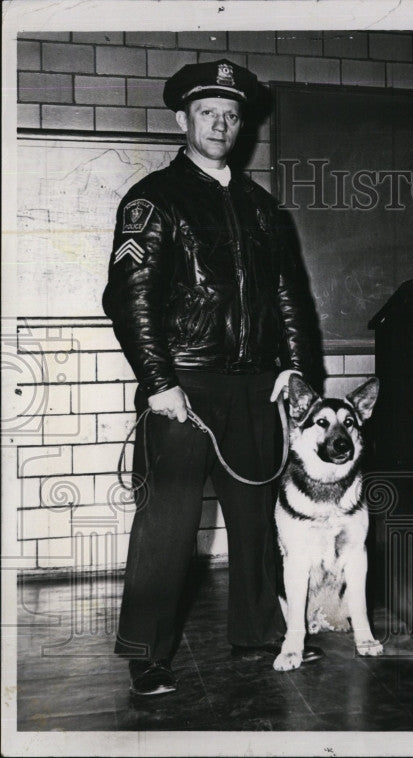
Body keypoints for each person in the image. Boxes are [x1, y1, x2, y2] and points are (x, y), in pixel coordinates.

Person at [104, 59, 323, 696]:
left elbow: (291, 299)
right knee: (167, 525)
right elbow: (130, 298)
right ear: (183, 120)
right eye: (208, 113)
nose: (221, 123)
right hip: (184, 390)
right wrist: (157, 381)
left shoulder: (262, 209)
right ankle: (147, 655)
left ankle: (258, 631)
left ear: (242, 125)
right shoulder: (153, 199)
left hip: (257, 388)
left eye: (231, 114)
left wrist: (298, 375)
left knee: (257, 518)